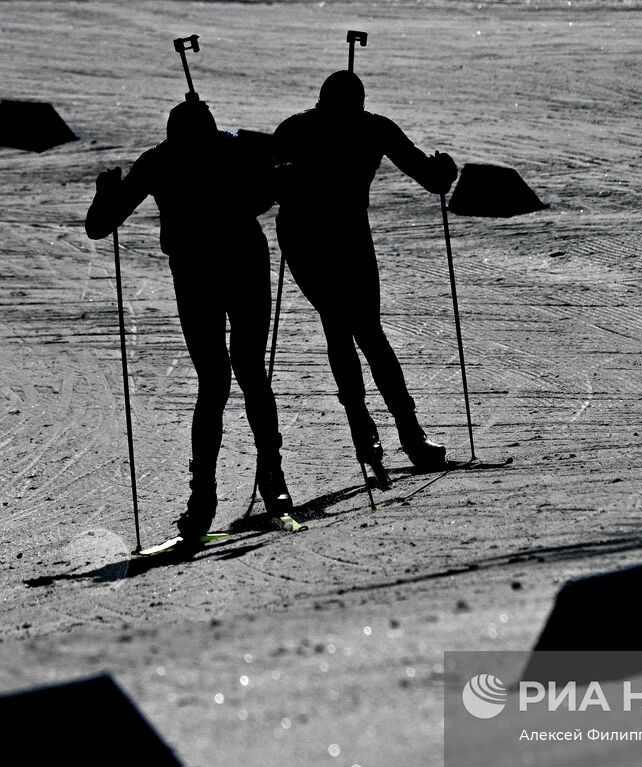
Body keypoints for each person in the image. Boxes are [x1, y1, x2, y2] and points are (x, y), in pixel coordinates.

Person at [85, 94, 293, 539]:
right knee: (248, 374)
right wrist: (275, 181)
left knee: (216, 382)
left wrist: (105, 197)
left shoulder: (160, 159)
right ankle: (269, 481)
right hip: (240, 264)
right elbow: (264, 198)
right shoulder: (232, 148)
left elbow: (100, 225)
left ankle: (206, 499)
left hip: (197, 273)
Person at [273, 70, 458, 488]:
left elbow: (429, 178)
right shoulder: (367, 127)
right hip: (313, 239)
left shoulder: (303, 127)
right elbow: (429, 178)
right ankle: (399, 434)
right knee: (354, 328)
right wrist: (444, 173)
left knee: (351, 329)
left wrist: (442, 174)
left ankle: (379, 433)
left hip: (331, 237)